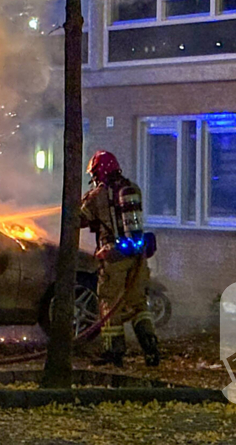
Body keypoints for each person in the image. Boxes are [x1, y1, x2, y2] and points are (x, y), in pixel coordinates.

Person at [80, 150, 160, 367]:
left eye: (95, 173)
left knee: (109, 302)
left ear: (100, 172)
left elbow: (79, 219)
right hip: (138, 256)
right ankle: (151, 347)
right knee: (138, 303)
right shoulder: (132, 188)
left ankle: (113, 352)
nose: (94, 179)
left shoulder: (98, 196)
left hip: (114, 257)